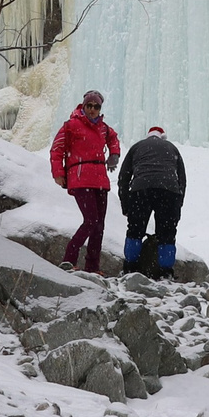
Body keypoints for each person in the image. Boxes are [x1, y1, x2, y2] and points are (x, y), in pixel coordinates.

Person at [49, 89, 120, 273]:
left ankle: (92, 267)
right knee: (91, 220)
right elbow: (56, 150)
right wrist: (58, 173)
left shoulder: (103, 128)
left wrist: (114, 154)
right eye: (89, 105)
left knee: (99, 225)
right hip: (80, 178)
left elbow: (113, 138)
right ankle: (69, 258)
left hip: (100, 180)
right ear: (84, 105)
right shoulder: (71, 125)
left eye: (96, 107)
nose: (92, 110)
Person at [117, 123, 187, 278]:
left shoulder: (137, 147)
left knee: (135, 230)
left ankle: (130, 268)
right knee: (167, 233)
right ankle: (165, 272)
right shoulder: (171, 148)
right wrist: (178, 204)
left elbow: (124, 177)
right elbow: (182, 179)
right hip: (169, 190)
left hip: (141, 189)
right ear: (162, 137)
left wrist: (125, 204)